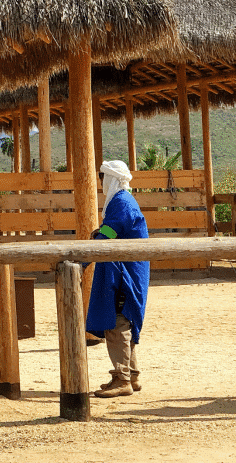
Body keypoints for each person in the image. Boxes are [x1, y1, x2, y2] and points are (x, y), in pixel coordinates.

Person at [86, 160, 149, 398]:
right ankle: (130, 375)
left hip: (124, 274)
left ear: (111, 179)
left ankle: (122, 379)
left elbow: (109, 234)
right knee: (123, 321)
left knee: (117, 323)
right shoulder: (122, 202)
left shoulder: (121, 203)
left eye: (104, 177)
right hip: (127, 271)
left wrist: (83, 259)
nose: (102, 182)